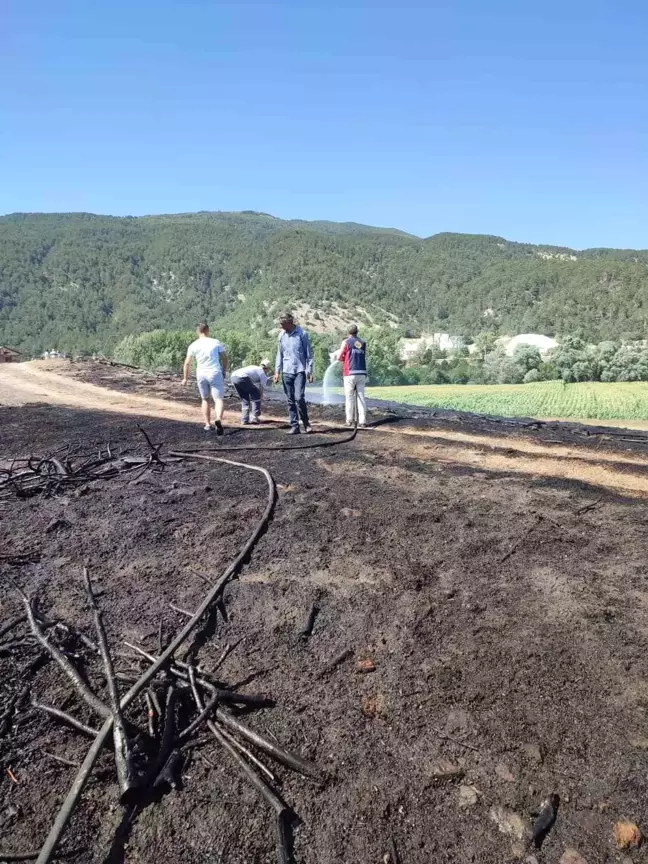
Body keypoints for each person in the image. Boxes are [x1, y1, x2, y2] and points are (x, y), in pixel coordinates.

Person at [182, 323, 228, 434]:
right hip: (214, 372)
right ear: (207, 330)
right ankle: (218, 419)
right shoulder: (216, 342)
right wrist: (224, 370)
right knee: (218, 399)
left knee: (205, 399)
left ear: (197, 331)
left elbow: (187, 363)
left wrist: (185, 378)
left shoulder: (193, 345)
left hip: (201, 374)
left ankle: (207, 424)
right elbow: (224, 358)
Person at [273, 313, 314, 434]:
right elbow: (279, 354)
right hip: (286, 371)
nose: (281, 326)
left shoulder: (302, 334)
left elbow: (309, 354)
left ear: (289, 323)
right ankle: (294, 425)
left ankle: (306, 423)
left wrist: (309, 371)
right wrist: (277, 371)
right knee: (290, 400)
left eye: (282, 324)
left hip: (300, 370)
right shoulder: (281, 335)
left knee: (299, 398)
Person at [336, 324, 368, 427]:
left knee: (349, 398)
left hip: (350, 373)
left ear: (348, 332)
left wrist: (340, 358)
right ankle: (362, 422)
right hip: (362, 372)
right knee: (361, 397)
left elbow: (339, 357)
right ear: (357, 331)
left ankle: (349, 421)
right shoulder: (362, 343)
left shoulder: (346, 342)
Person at [230, 360, 270, 425]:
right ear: (267, 368)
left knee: (245, 399)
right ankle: (254, 417)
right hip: (242, 377)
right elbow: (261, 388)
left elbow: (250, 381)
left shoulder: (254, 367)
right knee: (256, 393)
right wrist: (261, 396)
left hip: (233, 377)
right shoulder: (262, 373)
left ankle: (244, 420)